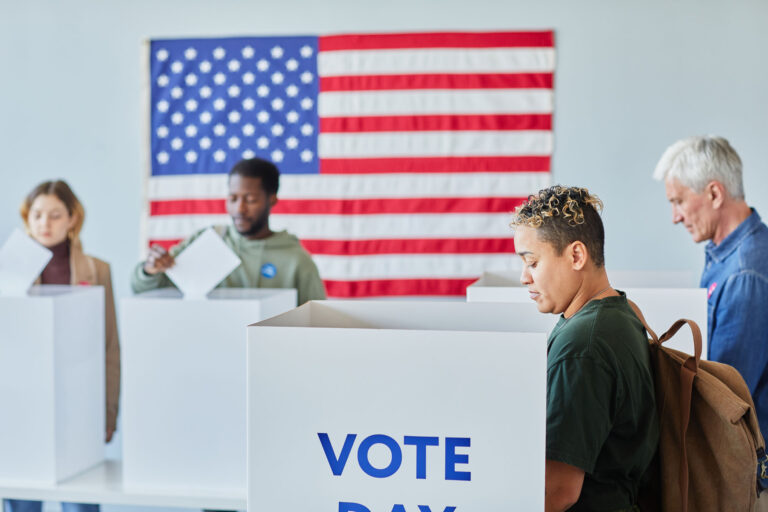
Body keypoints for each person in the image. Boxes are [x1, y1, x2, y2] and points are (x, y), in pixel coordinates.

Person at [511, 185, 658, 512]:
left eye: (532, 262)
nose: (524, 277)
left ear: (576, 255)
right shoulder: (622, 310)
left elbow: (558, 491)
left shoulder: (584, 345)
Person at [4, 180, 121, 512]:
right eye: (37, 215)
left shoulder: (97, 270)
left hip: (78, 405)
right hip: (22, 406)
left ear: (72, 218)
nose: (44, 224)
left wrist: (109, 409)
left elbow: (109, 344)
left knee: (81, 501)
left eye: (55, 215)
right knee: (23, 501)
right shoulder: (7, 270)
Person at [653, 135, 768, 443]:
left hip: (747, 470)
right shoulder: (726, 256)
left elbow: (726, 397)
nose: (675, 217)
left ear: (715, 193)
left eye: (678, 201)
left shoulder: (745, 274)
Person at [131, 157, 325, 304]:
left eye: (250, 199)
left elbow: (316, 324)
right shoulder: (207, 241)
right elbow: (143, 290)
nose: (239, 209)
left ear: (272, 199)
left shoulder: (297, 260)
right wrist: (150, 271)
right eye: (233, 198)